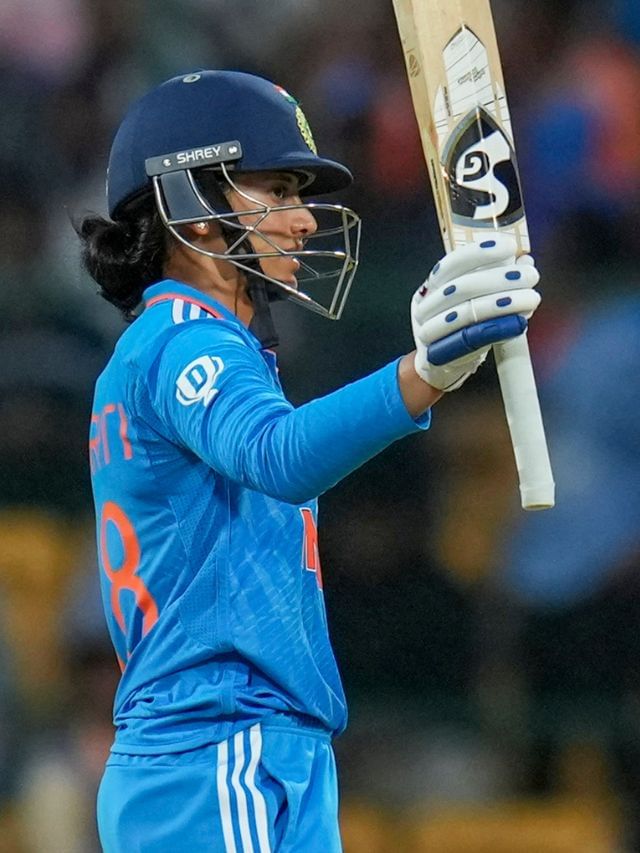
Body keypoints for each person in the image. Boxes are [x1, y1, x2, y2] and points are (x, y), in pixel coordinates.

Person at [78, 69, 540, 852]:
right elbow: (279, 454)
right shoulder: (183, 338)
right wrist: (427, 370)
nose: (301, 220)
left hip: (243, 747)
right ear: (192, 203)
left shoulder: (193, 345)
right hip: (219, 747)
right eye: (278, 189)